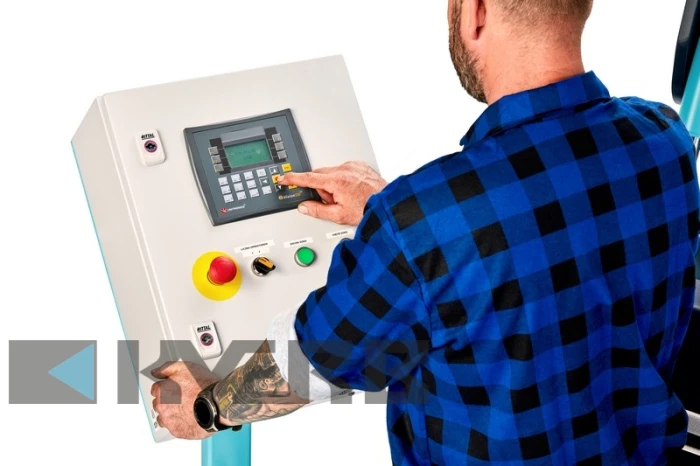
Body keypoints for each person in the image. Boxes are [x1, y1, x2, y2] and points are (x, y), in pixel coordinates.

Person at [151, 0, 700, 464]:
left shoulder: (424, 222)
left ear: (476, 13)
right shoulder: (663, 139)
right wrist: (401, 215)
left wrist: (208, 407)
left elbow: (316, 360)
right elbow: (550, 229)